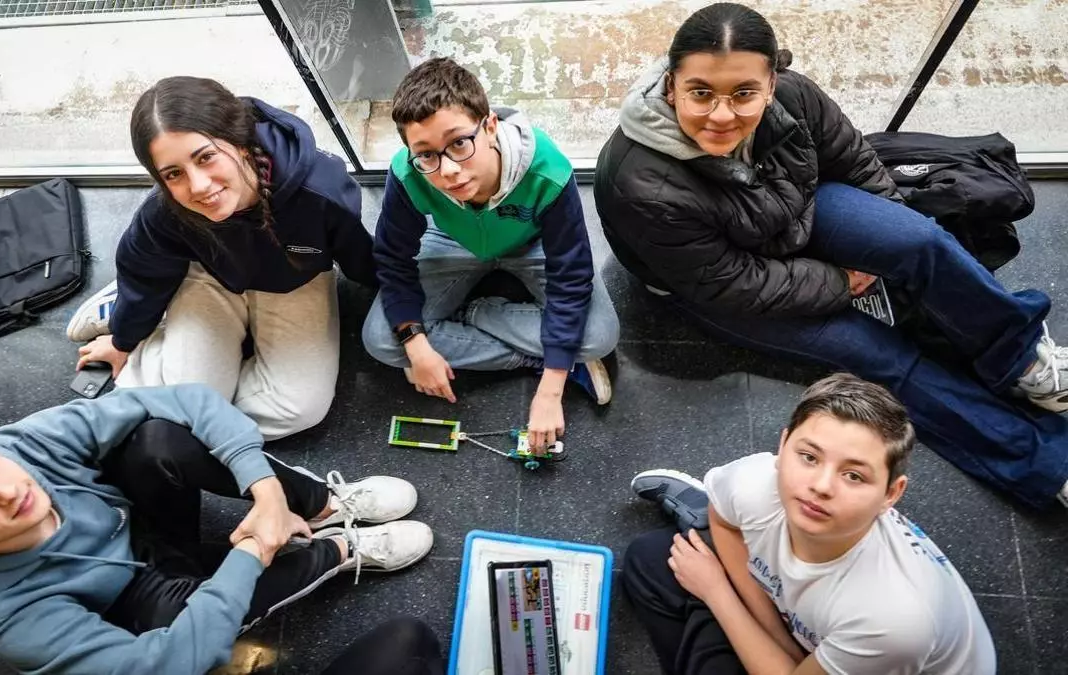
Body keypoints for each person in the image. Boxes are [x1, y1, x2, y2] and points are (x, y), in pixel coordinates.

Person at [593, 2, 1068, 509]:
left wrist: (891, 236)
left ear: (772, 84)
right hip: (713, 285)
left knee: (919, 242)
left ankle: (1023, 361)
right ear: (672, 87)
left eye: (744, 93)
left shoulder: (795, 95)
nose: (722, 115)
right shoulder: (641, 184)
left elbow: (854, 162)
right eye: (701, 93)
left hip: (792, 210)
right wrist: (842, 282)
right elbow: (731, 284)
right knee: (877, 356)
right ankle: (1043, 464)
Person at [0, 384, 434, 674]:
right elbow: (168, 664)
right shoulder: (1, 617)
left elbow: (181, 398)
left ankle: (321, 506)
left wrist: (266, 493)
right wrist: (253, 549)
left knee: (157, 437)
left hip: (145, 520)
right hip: (132, 595)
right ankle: (335, 552)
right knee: (178, 624)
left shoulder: (15, 447)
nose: (9, 491)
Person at [623, 373, 996, 674]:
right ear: (783, 446)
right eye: (809, 457)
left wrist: (717, 592)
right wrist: (781, 640)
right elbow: (724, 523)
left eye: (853, 476)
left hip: (876, 660)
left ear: (890, 494)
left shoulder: (893, 621)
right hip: (810, 635)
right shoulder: (754, 482)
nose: (820, 486)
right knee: (648, 559)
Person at [68, 76, 376, 439]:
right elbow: (144, 268)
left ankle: (191, 411)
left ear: (241, 143)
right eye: (174, 173)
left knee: (297, 410)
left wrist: (408, 313)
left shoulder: (320, 190)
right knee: (189, 398)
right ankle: (127, 309)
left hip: (294, 279)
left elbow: (359, 255)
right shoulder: (164, 211)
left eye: (206, 157)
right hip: (208, 274)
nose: (199, 186)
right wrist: (123, 340)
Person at [362, 57, 620, 452]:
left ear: (490, 126)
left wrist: (550, 392)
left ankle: (473, 315)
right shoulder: (407, 173)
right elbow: (393, 259)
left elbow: (571, 274)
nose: (448, 170)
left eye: (459, 143)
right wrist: (415, 344)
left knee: (600, 336)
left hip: (532, 243)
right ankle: (543, 357)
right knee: (382, 340)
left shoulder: (548, 169)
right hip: (451, 239)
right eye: (427, 154)